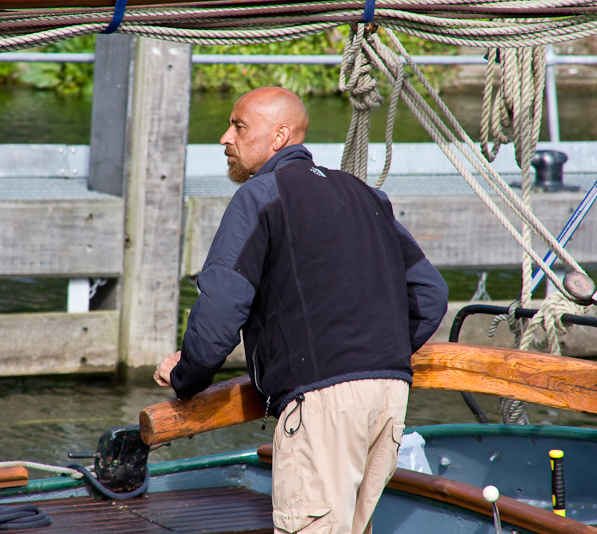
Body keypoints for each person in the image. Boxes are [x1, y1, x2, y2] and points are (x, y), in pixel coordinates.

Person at [154, 86, 448, 534]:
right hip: (389, 395)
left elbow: (221, 306)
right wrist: (371, 353)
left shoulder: (260, 196)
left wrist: (186, 377)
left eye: (238, 126)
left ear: (279, 136)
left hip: (324, 407)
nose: (224, 138)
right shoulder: (368, 196)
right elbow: (429, 295)